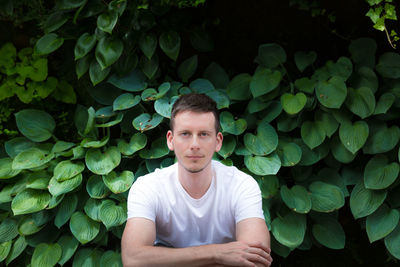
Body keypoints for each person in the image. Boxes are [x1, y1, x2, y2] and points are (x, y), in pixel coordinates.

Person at [121, 93, 272, 267]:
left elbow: (256, 260)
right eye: (185, 134)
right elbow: (133, 259)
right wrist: (217, 253)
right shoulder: (147, 187)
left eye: (203, 134)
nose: (194, 144)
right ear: (170, 140)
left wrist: (165, 260)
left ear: (218, 141)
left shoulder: (241, 185)